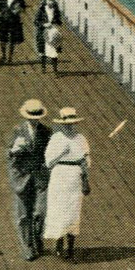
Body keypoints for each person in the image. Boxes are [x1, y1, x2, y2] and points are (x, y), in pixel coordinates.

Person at [40, 106, 89, 260]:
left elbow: (87, 161)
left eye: (72, 124)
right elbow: (48, 163)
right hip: (60, 175)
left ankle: (71, 247)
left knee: (73, 211)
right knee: (59, 210)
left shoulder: (81, 139)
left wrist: (84, 170)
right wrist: (62, 152)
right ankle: (59, 243)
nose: (69, 126)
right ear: (61, 124)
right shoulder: (56, 139)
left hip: (75, 177)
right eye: (67, 124)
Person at [6, 99, 51, 260]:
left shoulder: (46, 132)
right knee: (23, 215)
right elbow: (9, 155)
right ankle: (28, 247)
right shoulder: (17, 131)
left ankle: (37, 239)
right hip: (22, 176)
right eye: (31, 116)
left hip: (40, 177)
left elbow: (50, 155)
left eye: (37, 116)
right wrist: (15, 151)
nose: (34, 119)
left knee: (41, 212)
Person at [35, 0, 63, 74]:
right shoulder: (41, 10)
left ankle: (55, 69)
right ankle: (43, 67)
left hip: (53, 32)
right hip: (43, 32)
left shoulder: (56, 10)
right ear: (45, 1)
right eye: (49, 0)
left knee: (54, 51)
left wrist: (57, 23)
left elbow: (59, 21)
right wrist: (44, 24)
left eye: (52, 0)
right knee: (43, 51)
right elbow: (36, 22)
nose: (50, 2)